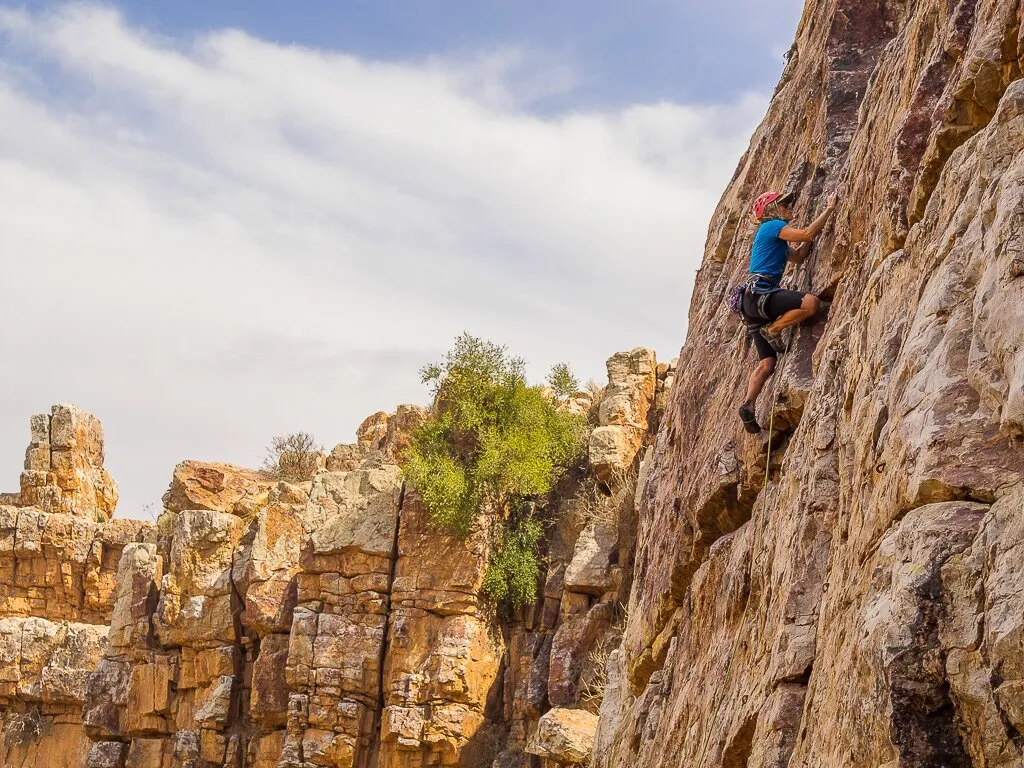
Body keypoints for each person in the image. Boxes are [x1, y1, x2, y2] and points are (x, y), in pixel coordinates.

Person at [738, 190, 838, 434]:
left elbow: (800, 256)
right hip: (761, 294)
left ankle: (748, 404)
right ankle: (773, 328)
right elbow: (805, 233)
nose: (789, 206)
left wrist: (812, 237)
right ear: (772, 210)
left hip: (751, 303)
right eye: (784, 204)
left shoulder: (776, 239)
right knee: (810, 303)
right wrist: (829, 209)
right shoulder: (771, 226)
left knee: (768, 362)